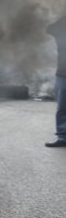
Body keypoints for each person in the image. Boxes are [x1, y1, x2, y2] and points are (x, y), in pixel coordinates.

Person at [45, 15, 66, 147]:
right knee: (62, 107)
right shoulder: (60, 32)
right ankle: (62, 137)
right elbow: (49, 28)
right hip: (63, 73)